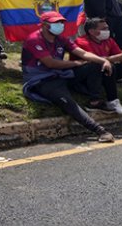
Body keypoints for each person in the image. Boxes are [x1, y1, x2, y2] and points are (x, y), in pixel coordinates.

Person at [21, 11, 116, 143]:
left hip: (61, 73)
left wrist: (103, 61)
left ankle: (95, 100)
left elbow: (82, 53)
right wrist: (75, 63)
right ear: (44, 25)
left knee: (94, 65)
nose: (60, 25)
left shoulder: (61, 39)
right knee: (68, 103)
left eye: (61, 22)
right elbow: (50, 63)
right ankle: (100, 130)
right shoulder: (34, 39)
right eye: (56, 23)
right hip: (42, 79)